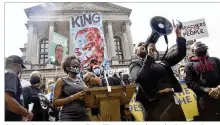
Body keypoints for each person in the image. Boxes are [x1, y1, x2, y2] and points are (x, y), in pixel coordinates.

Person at [129, 25, 187, 121]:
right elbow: (140, 77)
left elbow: (181, 54)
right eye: (140, 45)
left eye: (145, 44)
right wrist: (149, 57)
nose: (144, 45)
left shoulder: (162, 61)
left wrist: (178, 35)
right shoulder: (135, 64)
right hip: (151, 104)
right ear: (136, 52)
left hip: (170, 100)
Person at [184, 41, 220, 121]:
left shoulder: (216, 60)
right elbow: (190, 83)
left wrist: (218, 88)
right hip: (204, 99)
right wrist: (206, 90)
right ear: (193, 51)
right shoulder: (189, 65)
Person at [53, 55, 90, 121]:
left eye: (78, 65)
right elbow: (55, 103)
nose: (77, 67)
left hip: (83, 115)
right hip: (67, 117)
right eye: (74, 65)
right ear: (67, 67)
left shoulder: (82, 80)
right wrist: (73, 97)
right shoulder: (61, 81)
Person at [5, 55, 33, 121]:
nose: (21, 70)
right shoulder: (11, 75)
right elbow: (7, 99)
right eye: (21, 67)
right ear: (18, 66)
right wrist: (26, 113)